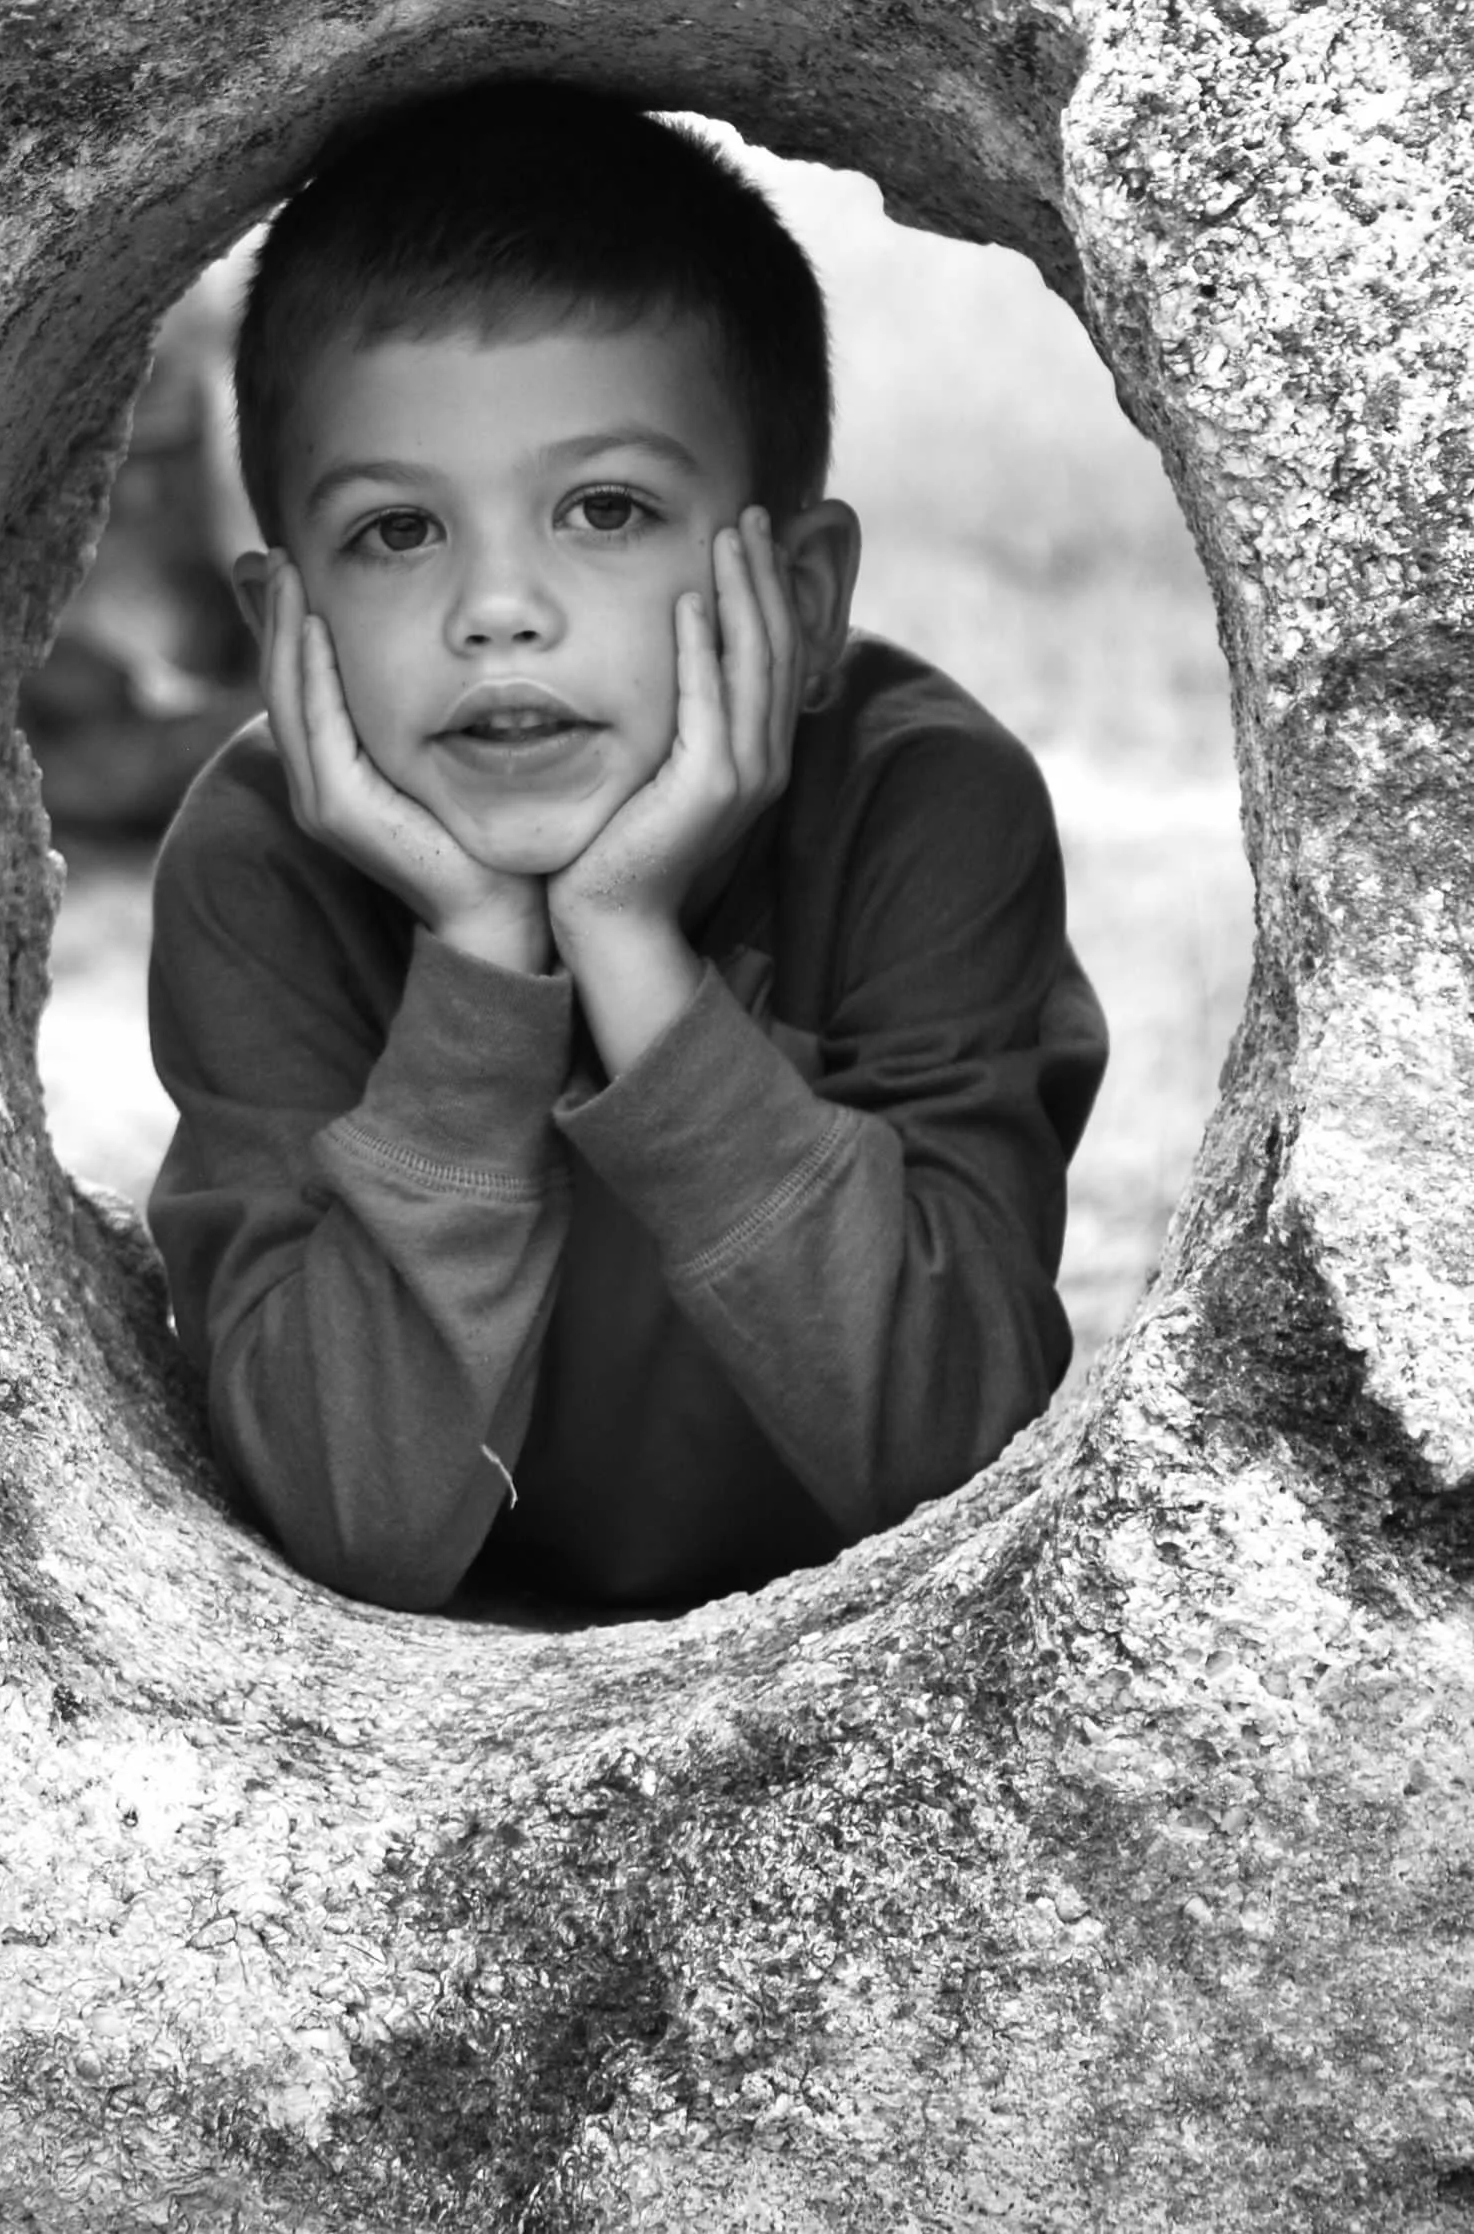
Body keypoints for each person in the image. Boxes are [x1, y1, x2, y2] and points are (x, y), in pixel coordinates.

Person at [144, 83, 1106, 1615]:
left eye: (604, 508)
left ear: (798, 601)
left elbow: (956, 1459)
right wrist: (478, 962)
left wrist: (630, 945)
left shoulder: (920, 808)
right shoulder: (264, 868)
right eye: (399, 531)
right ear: (283, 627)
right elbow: (348, 1517)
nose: (499, 608)